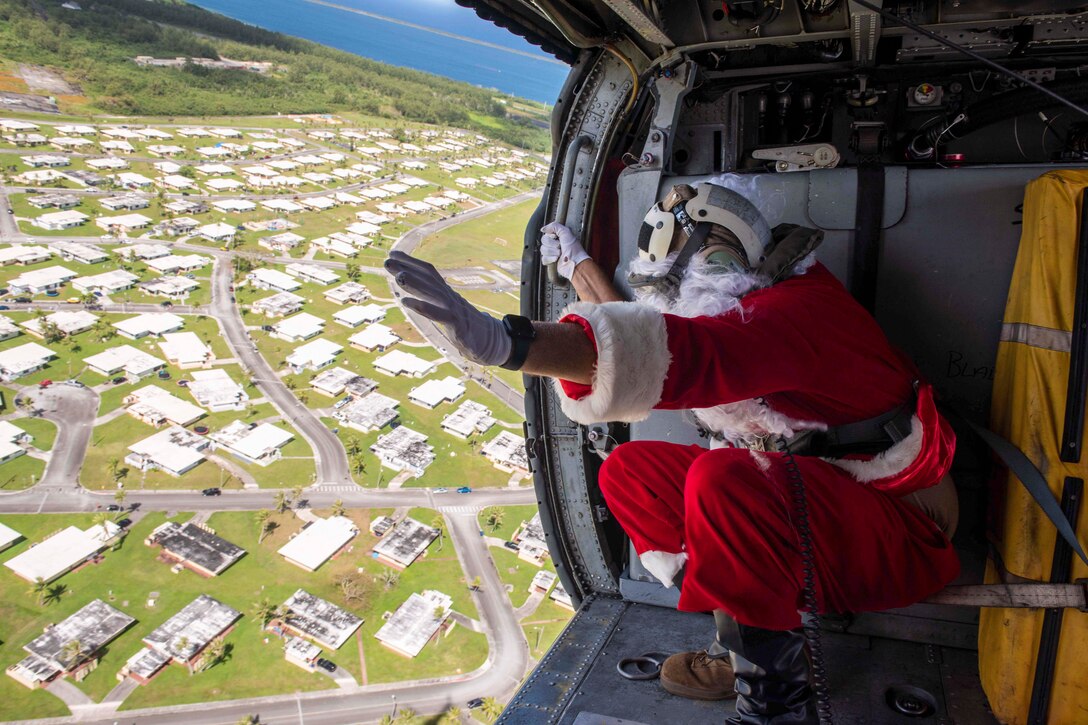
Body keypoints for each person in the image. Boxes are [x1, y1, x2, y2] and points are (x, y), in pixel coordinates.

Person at [386, 182, 960, 724]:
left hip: (902, 527)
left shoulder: (798, 315)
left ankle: (776, 703)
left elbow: (684, 352)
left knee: (722, 479)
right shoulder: (751, 296)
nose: (678, 299)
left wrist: (507, 341)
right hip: (826, 516)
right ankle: (744, 633)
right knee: (630, 472)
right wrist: (579, 269)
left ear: (729, 261)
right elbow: (654, 331)